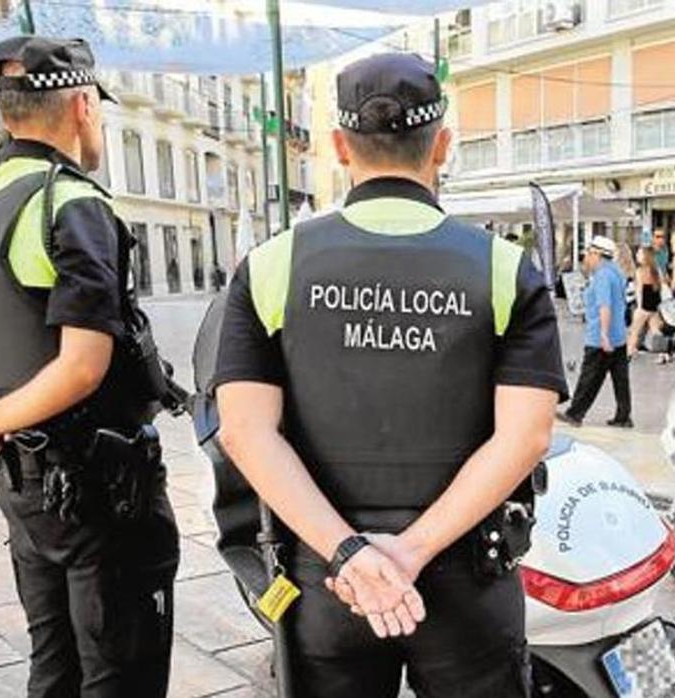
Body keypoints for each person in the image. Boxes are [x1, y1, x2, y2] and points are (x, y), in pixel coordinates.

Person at [213, 53, 567, 697]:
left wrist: (352, 553)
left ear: (340, 148)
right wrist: (410, 551)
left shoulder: (270, 266)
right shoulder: (505, 269)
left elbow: (243, 433)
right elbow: (527, 438)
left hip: (328, 581)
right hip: (468, 578)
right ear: (443, 146)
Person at [0, 36, 181, 696]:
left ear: (4, 115)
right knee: (120, 669)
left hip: (27, 490)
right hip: (101, 489)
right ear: (83, 104)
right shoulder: (70, 203)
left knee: (55, 663)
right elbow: (83, 366)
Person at [559, 235, 631, 429]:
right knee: (620, 377)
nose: (586, 258)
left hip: (601, 336)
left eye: (588, 254)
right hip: (619, 335)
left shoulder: (602, 276)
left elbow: (604, 306)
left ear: (597, 254)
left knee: (589, 376)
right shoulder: (616, 272)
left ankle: (575, 414)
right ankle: (623, 416)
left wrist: (604, 335)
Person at [627, 246, 664, 357]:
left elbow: (639, 290)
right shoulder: (657, 270)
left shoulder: (640, 271)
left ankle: (630, 351)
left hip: (644, 305)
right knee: (656, 331)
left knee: (635, 331)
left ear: (645, 257)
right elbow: (661, 286)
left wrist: (639, 306)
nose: (637, 256)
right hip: (655, 304)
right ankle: (663, 353)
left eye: (639, 254)